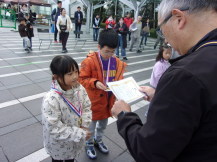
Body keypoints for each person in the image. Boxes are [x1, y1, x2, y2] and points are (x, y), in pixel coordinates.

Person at [111, 0, 217, 161]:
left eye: (161, 29)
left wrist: (124, 115)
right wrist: (162, 95)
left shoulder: (184, 74)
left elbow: (149, 152)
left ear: (178, 18)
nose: (166, 40)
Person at [79, 29, 127, 159]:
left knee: (103, 125)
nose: (110, 54)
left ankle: (98, 140)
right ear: (99, 47)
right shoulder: (89, 61)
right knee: (91, 126)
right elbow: (81, 79)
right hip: (93, 102)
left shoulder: (116, 62)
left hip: (108, 102)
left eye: (113, 51)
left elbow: (119, 78)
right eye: (106, 51)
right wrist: (94, 83)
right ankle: (89, 143)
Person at [42, 55, 92, 162]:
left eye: (76, 71)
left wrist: (84, 125)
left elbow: (86, 106)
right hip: (58, 145)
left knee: (71, 159)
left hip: (74, 142)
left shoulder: (79, 88)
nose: (75, 76)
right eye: (70, 74)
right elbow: (54, 128)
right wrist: (80, 133)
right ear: (56, 77)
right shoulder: (51, 100)